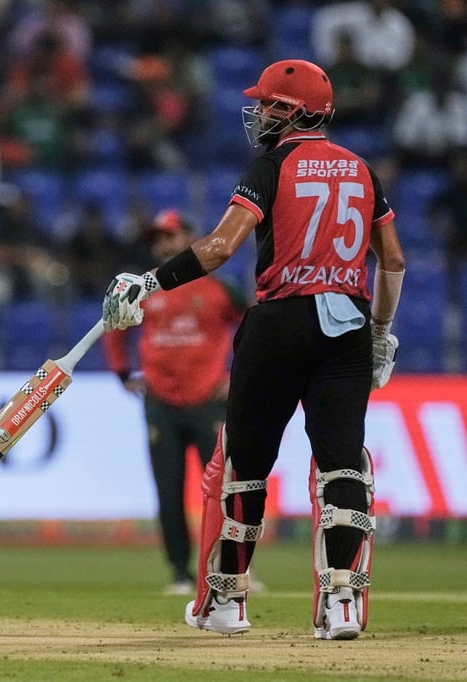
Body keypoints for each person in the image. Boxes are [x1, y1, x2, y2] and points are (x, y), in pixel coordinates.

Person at [103, 59, 405, 641]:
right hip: (348, 327)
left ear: (292, 111)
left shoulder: (270, 166)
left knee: (245, 464)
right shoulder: (362, 169)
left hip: (281, 322)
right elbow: (391, 259)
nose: (260, 113)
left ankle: (227, 601)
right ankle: (342, 603)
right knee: (343, 463)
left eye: (268, 104)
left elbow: (220, 248)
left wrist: (149, 281)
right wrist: (380, 331)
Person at [102, 209, 247, 595]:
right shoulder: (143, 289)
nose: (164, 244)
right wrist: (122, 373)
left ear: (190, 237)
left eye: (171, 235)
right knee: (169, 492)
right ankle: (181, 573)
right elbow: (114, 328)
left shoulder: (221, 287)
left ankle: (230, 568)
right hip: (161, 403)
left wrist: (237, 378)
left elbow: (254, 328)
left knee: (224, 490)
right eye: (158, 239)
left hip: (209, 402)